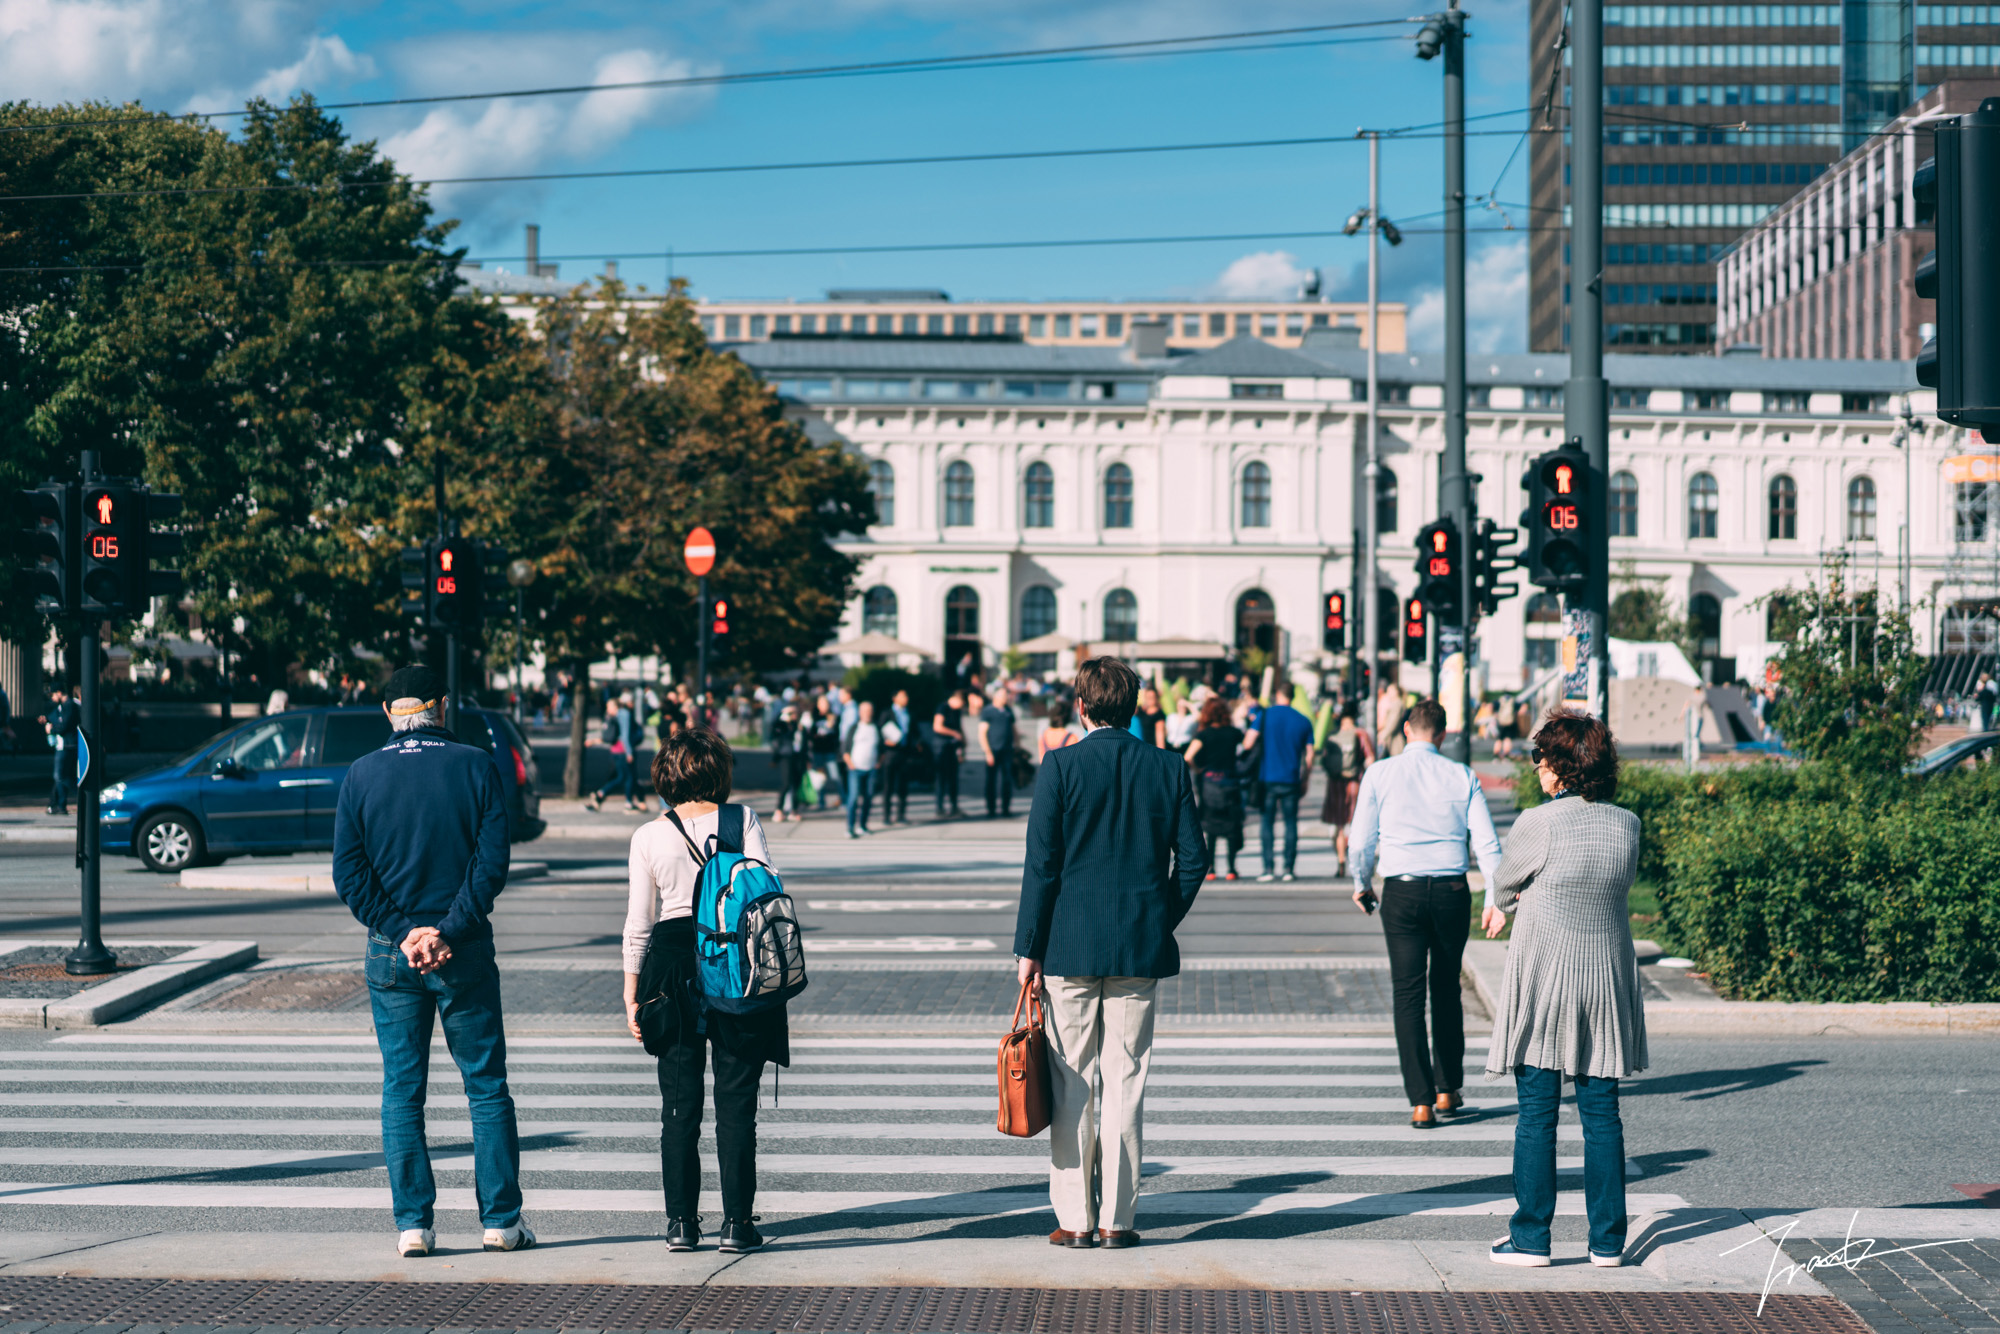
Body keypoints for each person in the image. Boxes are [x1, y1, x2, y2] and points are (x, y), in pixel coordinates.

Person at [330, 665, 531, 1258]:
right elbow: (490, 865)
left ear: (387, 713)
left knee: (402, 1091)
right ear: (442, 708)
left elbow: (350, 874)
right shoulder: (475, 766)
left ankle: (413, 1225)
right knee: (486, 1087)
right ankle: (501, 1222)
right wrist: (446, 930)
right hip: (462, 950)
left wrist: (404, 932)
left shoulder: (361, 775)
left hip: (392, 956)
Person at [1015, 658, 1204, 1249]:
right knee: (1127, 1081)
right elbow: (1193, 863)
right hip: (1139, 948)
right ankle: (1117, 1221)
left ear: (1082, 705)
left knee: (1074, 1082)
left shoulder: (1061, 766)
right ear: (1136, 705)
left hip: (1068, 946)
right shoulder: (1168, 767)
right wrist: (1156, 916)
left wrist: (1029, 948)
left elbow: (1042, 866)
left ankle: (1074, 1219)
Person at [1485, 710, 1647, 1270]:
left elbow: (1504, 886)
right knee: (1602, 1113)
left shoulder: (1538, 822)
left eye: (1540, 757)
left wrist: (1525, 897)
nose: (1536, 768)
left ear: (1559, 767)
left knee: (1538, 1113)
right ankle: (1607, 1243)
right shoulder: (1627, 824)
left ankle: (1531, 1238)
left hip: (1548, 978)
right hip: (1604, 978)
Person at [622, 729, 788, 1255]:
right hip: (734, 962)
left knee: (679, 1103)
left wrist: (631, 993)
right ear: (719, 771)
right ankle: (738, 1224)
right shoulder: (743, 820)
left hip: (670, 966)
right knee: (737, 1101)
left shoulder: (649, 835)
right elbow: (769, 891)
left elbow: (637, 924)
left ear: (665, 775)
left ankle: (681, 1224)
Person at [1347, 697, 1503, 1130]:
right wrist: (1495, 898)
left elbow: (1361, 841)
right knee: (1446, 988)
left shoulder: (1379, 773)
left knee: (1408, 994)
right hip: (1452, 890)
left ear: (1406, 731)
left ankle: (1420, 1101)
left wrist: (1362, 884)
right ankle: (1447, 1087)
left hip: (1402, 892)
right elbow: (1487, 844)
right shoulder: (1461, 774)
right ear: (1443, 734)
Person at [1246, 682, 1314, 883]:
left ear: (1277, 694)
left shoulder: (1264, 716)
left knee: (1267, 822)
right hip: (1291, 779)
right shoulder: (1303, 721)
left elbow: (1248, 743)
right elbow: (1309, 756)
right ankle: (1288, 869)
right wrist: (1306, 779)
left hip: (1267, 778)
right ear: (1292, 696)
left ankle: (1268, 868)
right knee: (1290, 823)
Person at [1183, 694, 1246, 881]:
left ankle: (1211, 869)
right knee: (1231, 827)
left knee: (1210, 827)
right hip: (1230, 783)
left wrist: (1198, 770)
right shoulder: (1234, 733)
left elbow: (1188, 757)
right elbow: (1247, 748)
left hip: (1210, 784)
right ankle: (1231, 868)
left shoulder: (1204, 734)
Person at [1318, 700, 1375, 879]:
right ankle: (1358, 861)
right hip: (1354, 783)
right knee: (1358, 824)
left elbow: (1325, 760)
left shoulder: (1334, 735)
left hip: (1335, 784)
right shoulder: (1360, 734)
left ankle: (1341, 862)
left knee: (1339, 825)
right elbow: (1370, 758)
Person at [587, 695, 641, 812]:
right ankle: (627, 802)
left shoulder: (612, 716)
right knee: (628, 777)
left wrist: (593, 741)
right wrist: (629, 752)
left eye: (609, 706)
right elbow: (625, 735)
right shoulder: (623, 714)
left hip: (615, 750)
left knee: (622, 776)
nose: (607, 709)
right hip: (622, 750)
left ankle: (601, 794)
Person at [844, 701, 882, 838]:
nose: (867, 713)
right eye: (864, 710)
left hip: (871, 768)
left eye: (869, 710)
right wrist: (850, 764)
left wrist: (878, 763)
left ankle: (863, 825)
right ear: (860, 712)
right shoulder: (854, 728)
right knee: (853, 798)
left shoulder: (875, 728)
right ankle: (850, 827)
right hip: (855, 768)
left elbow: (881, 748)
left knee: (868, 797)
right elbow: (845, 749)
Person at [978, 687, 1018, 818]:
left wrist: (1017, 745)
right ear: (996, 697)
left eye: (1006, 696)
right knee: (991, 781)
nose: (1006, 698)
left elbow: (1013, 729)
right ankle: (991, 809)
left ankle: (1006, 808)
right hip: (993, 750)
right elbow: (982, 733)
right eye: (1003, 696)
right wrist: (987, 752)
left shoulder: (1008, 710)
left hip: (1007, 750)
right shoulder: (988, 711)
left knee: (1007, 780)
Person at [880, 689, 917, 824]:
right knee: (888, 785)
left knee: (903, 786)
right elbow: (881, 730)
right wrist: (885, 743)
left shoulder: (909, 713)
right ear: (894, 698)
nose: (905, 698)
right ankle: (886, 815)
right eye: (902, 696)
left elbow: (915, 731)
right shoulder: (887, 713)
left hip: (905, 752)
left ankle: (901, 814)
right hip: (891, 752)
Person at [931, 689, 967, 818]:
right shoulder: (943, 708)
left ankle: (954, 807)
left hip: (953, 748)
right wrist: (954, 734)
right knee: (941, 779)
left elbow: (960, 728)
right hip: (942, 748)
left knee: (953, 780)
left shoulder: (957, 712)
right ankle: (939, 808)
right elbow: (937, 726)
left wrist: (962, 746)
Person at [769, 704, 806, 823]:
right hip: (786, 756)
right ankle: (779, 809)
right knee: (786, 784)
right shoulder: (781, 725)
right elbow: (776, 737)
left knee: (796, 784)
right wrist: (783, 717)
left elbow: (805, 743)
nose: (794, 716)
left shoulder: (799, 726)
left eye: (795, 713)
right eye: (791, 713)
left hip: (798, 757)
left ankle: (794, 810)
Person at [42, 688, 77, 816]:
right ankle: (58, 804)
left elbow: (64, 726)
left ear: (59, 692)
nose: (52, 698)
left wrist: (51, 729)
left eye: (53, 695)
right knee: (61, 776)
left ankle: (77, 797)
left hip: (67, 745)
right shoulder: (64, 706)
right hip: (65, 745)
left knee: (60, 776)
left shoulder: (69, 706)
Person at [808, 693, 843, 810]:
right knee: (821, 778)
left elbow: (837, 735)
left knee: (836, 777)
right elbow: (810, 734)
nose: (824, 706)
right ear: (818, 705)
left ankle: (843, 800)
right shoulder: (814, 717)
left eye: (826, 703)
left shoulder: (833, 716)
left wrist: (832, 726)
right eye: (821, 703)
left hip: (830, 751)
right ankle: (821, 802)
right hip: (818, 751)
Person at [1375, 682, 1408, 759]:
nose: (1388, 693)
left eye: (1390, 691)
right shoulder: (1395, 703)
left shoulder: (1397, 704)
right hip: (1391, 738)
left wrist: (1383, 735)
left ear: (1396, 692)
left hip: (1395, 740)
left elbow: (1393, 723)